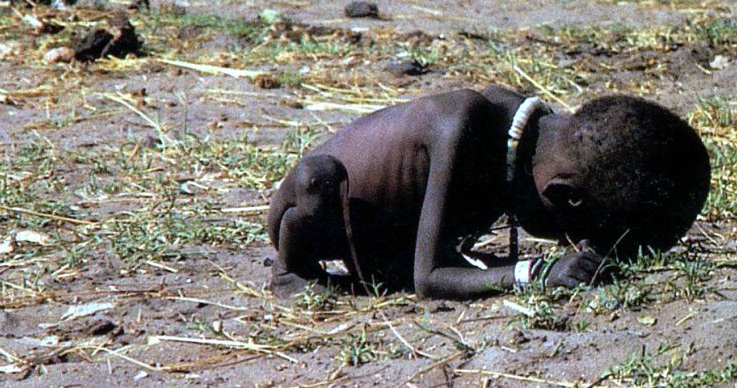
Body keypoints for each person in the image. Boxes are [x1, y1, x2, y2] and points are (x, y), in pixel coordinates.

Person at [266, 87, 711, 298]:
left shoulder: (531, 139)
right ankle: (291, 273)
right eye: (574, 235)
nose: (575, 245)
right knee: (315, 181)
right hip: (317, 212)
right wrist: (535, 272)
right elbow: (429, 279)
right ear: (563, 197)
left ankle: (379, 266)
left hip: (386, 237)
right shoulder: (463, 128)